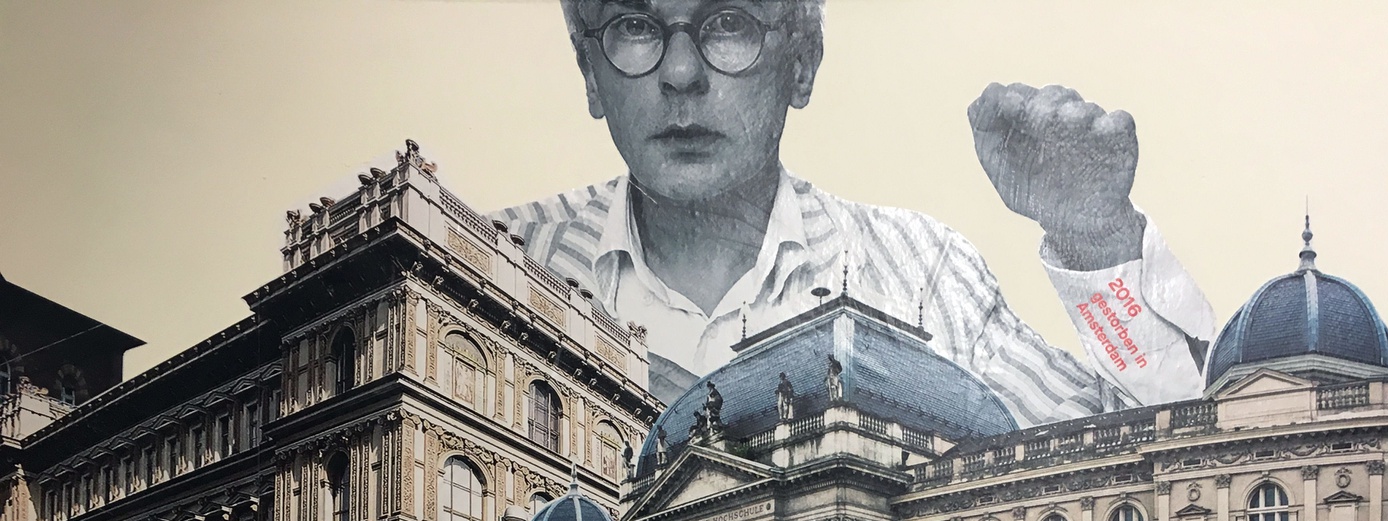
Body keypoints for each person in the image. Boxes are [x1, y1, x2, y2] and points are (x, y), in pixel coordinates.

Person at [494, 1, 1214, 428]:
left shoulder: (925, 272)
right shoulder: (510, 251)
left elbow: (1167, 466)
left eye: (729, 22)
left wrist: (1097, 243)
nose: (681, 74)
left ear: (802, 62)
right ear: (590, 74)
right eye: (634, 25)